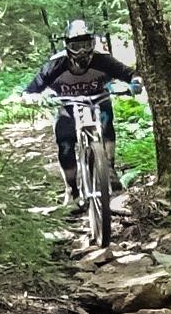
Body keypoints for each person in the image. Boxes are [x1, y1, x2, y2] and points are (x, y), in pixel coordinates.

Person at [22, 20, 140, 206]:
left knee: (106, 121)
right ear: (68, 46)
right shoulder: (56, 64)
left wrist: (135, 84)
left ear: (93, 43)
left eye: (86, 44)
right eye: (77, 46)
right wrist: (31, 98)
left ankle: (108, 167)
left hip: (98, 101)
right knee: (65, 145)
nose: (82, 51)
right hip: (67, 106)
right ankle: (72, 190)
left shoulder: (103, 60)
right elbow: (31, 89)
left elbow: (130, 73)